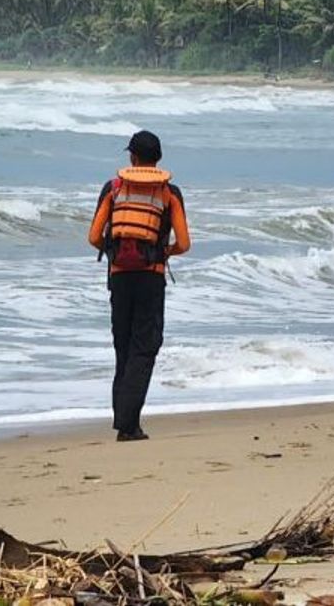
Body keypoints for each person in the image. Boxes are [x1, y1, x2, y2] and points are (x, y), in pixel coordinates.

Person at [88, 130, 191, 441]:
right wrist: (164, 252)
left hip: (118, 277)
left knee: (123, 347)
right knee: (144, 348)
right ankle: (128, 425)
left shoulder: (114, 187)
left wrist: (113, 252)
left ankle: (125, 420)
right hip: (151, 276)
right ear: (157, 160)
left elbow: (94, 237)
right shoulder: (169, 192)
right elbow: (184, 243)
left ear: (132, 157)